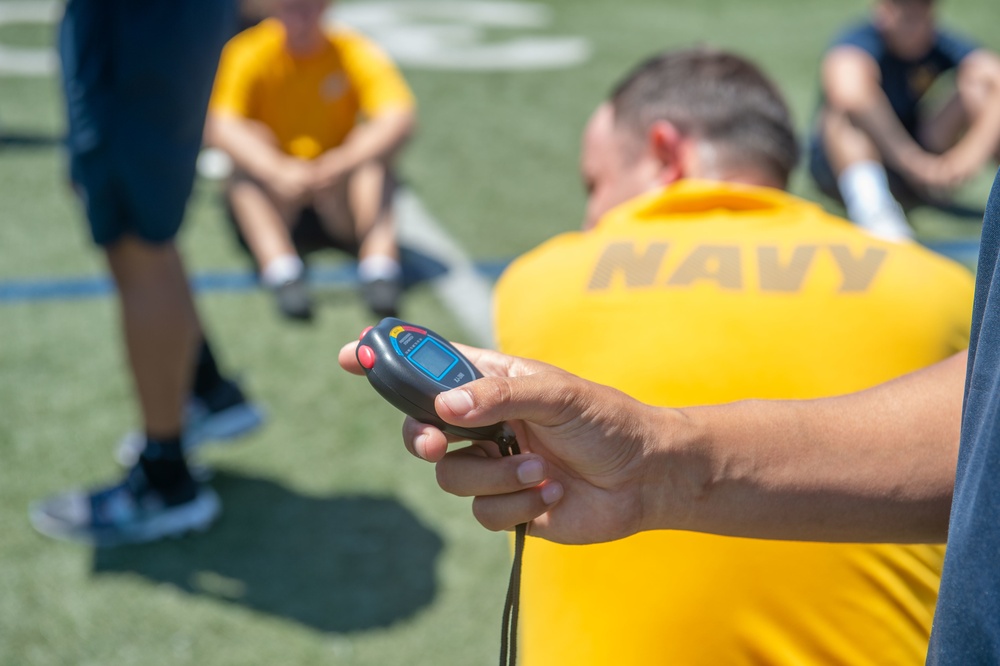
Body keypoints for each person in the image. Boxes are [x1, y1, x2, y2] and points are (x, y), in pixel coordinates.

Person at [369, 48, 976, 665]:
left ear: (665, 151)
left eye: (595, 183)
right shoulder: (943, 288)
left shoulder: (542, 277)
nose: (590, 214)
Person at [30, 0, 264, 547]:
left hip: (141, 21)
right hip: (143, 21)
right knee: (138, 218)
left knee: (136, 233)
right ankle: (203, 387)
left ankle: (167, 480)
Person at [205, 0, 416, 321]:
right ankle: (280, 268)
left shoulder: (350, 48)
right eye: (291, 7)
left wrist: (340, 162)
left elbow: (399, 116)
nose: (301, 16)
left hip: (336, 191)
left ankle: (380, 266)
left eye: (309, 6)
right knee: (246, 159)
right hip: (278, 193)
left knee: (372, 156)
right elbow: (220, 124)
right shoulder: (248, 51)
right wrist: (276, 168)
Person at [810, 0, 1000, 240]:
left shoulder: (934, 42)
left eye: (925, 18)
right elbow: (847, 89)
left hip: (920, 158)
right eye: (908, 19)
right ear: (884, 13)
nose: (918, 28)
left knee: (980, 89)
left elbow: (995, 75)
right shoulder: (862, 40)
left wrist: (967, 157)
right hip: (846, 166)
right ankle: (874, 211)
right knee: (845, 111)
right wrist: (912, 161)